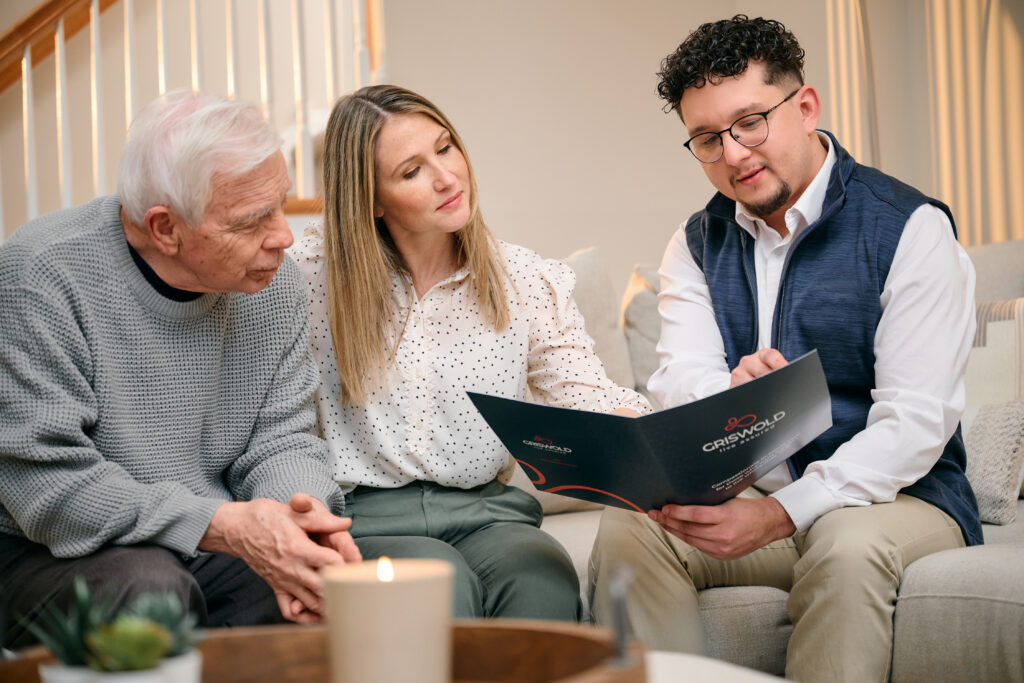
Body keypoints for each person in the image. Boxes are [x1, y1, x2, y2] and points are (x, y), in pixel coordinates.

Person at [588, 15, 981, 681]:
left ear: (805, 108)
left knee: (845, 546)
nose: (733, 154)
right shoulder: (695, 243)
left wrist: (779, 514)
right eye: (707, 138)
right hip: (756, 496)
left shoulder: (909, 229)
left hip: (897, 500)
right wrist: (727, 397)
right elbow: (679, 382)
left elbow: (914, 424)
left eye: (750, 123)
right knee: (631, 528)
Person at [0, 92, 361, 650]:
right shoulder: (41, 274)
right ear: (165, 228)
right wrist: (226, 525)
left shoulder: (273, 283)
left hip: (202, 537)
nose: (284, 237)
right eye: (251, 221)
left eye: (281, 204)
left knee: (319, 589)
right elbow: (51, 489)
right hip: (43, 550)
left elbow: (284, 439)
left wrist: (301, 520)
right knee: (151, 592)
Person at [291, 84, 650, 621]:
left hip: (488, 514)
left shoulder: (522, 278)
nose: (447, 177)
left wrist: (646, 434)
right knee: (440, 582)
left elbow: (583, 392)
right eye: (412, 171)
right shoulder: (308, 279)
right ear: (371, 199)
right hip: (365, 518)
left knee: (542, 577)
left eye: (445, 147)